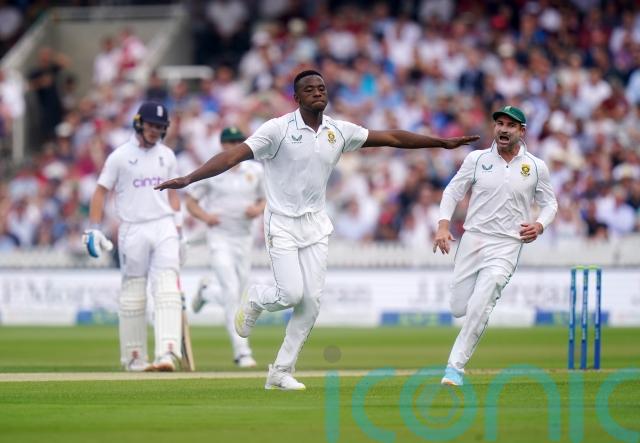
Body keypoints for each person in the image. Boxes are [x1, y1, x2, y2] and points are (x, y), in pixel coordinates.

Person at [156, 70, 479, 390]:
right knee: (290, 294)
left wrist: (440, 142)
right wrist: (189, 178)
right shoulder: (277, 129)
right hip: (281, 222)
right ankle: (255, 297)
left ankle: (280, 372)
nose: (317, 92)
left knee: (311, 303)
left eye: (321, 88)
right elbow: (232, 156)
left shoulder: (338, 131)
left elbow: (392, 138)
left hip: (315, 225)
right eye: (309, 89)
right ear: (296, 98)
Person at [433, 105, 558, 386]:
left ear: (521, 131)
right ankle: (463, 338)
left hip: (507, 244)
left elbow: (550, 203)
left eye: (510, 125)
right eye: (500, 123)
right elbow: (452, 191)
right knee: (458, 307)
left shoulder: (535, 166)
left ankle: (454, 368)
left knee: (481, 305)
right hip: (474, 239)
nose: (503, 129)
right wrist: (442, 225)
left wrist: (539, 225)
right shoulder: (476, 159)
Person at [84, 101, 184, 372]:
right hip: (133, 227)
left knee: (167, 289)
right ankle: (134, 357)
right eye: (151, 125)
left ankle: (167, 353)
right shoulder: (120, 156)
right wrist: (94, 227)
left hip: (164, 225)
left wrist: (179, 227)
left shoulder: (167, 155)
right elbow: (100, 191)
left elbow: (174, 193)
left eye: (160, 127)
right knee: (133, 293)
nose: (155, 130)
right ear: (139, 123)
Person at [187, 126, 265, 368]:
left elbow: (266, 198)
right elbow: (191, 202)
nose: (234, 146)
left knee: (238, 294)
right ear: (222, 145)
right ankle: (242, 351)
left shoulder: (255, 170)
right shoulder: (214, 170)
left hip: (244, 239)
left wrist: (257, 209)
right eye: (230, 142)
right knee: (231, 291)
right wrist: (206, 217)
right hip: (219, 238)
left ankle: (206, 293)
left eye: (238, 141)